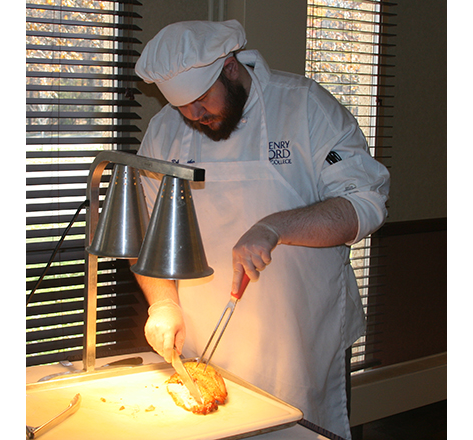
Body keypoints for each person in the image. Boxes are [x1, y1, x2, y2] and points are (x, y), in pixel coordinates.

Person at [133, 20, 389, 440]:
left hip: (301, 340)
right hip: (204, 342)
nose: (194, 117)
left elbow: (366, 203)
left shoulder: (305, 108)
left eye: (200, 101)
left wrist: (276, 226)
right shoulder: (165, 130)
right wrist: (163, 303)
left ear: (230, 67)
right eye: (183, 109)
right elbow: (149, 232)